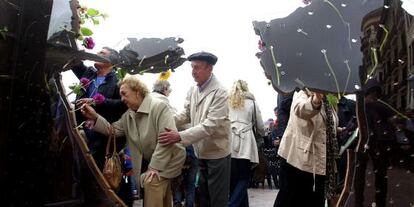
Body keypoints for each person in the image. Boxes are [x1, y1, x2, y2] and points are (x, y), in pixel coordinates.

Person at [80, 75, 186, 207]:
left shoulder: (159, 107)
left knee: (151, 182)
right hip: (157, 160)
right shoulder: (129, 115)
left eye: (124, 94)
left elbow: (166, 140)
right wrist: (95, 117)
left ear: (137, 92)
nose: (122, 99)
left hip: (171, 158)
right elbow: (112, 130)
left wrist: (154, 167)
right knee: (161, 194)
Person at [158, 51, 231, 207]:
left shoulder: (221, 92)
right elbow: (186, 114)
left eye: (197, 68)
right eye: (192, 67)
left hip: (217, 153)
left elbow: (210, 125)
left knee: (217, 200)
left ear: (209, 69)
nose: (193, 72)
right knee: (203, 197)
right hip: (200, 151)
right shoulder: (193, 90)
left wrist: (179, 136)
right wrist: (164, 121)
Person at [274, 90, 339, 207]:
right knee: (291, 200)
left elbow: (325, 125)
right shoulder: (301, 93)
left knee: (314, 201)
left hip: (320, 161)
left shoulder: (328, 100)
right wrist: (315, 100)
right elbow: (301, 110)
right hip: (298, 161)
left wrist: (335, 130)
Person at [72, 47, 127, 168]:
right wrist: (79, 53)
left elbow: (122, 105)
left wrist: (98, 102)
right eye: (97, 52)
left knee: (89, 170)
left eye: (102, 53)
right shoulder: (88, 73)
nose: (97, 54)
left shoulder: (118, 81)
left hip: (100, 139)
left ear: (111, 61)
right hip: (78, 129)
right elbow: (73, 61)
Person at [354, 79, 396, 207]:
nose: (375, 96)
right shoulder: (380, 106)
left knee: (366, 175)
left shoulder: (363, 105)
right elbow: (393, 120)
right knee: (375, 175)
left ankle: (361, 203)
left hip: (370, 143)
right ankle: (376, 202)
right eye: (374, 92)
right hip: (372, 144)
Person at [228, 80, 265, 207]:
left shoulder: (228, 102)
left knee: (233, 180)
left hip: (229, 141)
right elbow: (260, 126)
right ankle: (231, 205)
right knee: (244, 178)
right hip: (246, 142)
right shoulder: (252, 103)